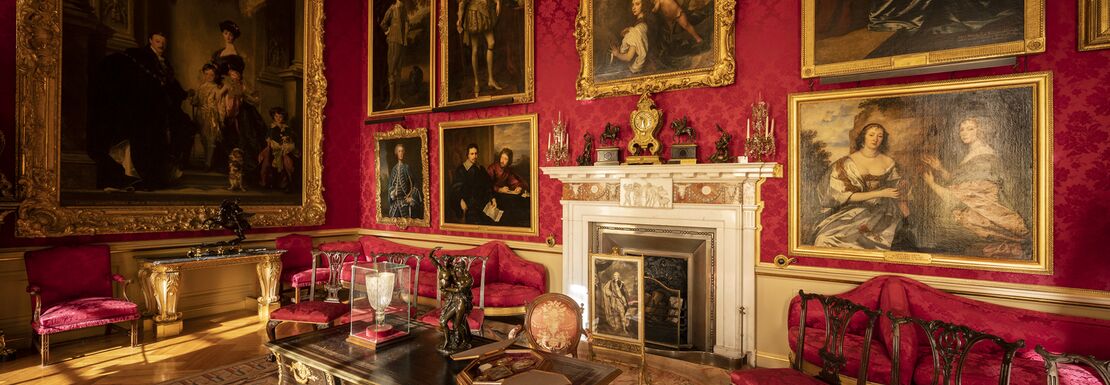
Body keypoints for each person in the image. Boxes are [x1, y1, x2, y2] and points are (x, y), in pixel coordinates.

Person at [87, 32, 190, 190]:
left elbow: (170, 85)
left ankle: (156, 176)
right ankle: (136, 175)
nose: (161, 45)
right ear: (150, 41)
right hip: (146, 107)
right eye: (157, 41)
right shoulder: (142, 57)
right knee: (142, 137)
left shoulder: (165, 63)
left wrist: (182, 94)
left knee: (178, 128)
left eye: (163, 42)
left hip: (160, 109)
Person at [922, 116, 1029, 259]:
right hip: (977, 210)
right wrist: (940, 168)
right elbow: (959, 182)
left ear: (980, 131)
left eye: (970, 128)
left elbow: (962, 195)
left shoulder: (983, 156)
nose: (964, 133)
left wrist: (931, 184)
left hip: (985, 212)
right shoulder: (972, 153)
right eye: (962, 129)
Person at [812, 123, 910, 250]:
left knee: (872, 241)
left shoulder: (889, 162)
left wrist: (901, 190)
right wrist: (880, 193)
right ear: (863, 137)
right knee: (825, 238)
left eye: (880, 136)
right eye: (871, 135)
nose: (875, 139)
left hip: (883, 211)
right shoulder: (846, 164)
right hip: (853, 210)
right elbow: (844, 196)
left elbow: (898, 190)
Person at [457, 0, 503, 97]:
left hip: (485, 13)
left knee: (491, 43)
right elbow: (462, 3)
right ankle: (477, 83)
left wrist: (498, 2)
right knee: (475, 49)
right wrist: (460, 19)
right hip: (473, 14)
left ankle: (490, 79)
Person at [189, 64, 223, 170]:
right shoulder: (201, 87)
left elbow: (219, 103)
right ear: (204, 74)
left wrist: (219, 116)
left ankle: (208, 163)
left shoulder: (216, 88)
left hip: (211, 116)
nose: (209, 76)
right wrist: (192, 97)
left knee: (211, 139)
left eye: (212, 74)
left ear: (215, 75)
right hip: (201, 116)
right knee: (203, 139)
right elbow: (195, 102)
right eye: (207, 74)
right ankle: (207, 160)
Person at [451, 143, 495, 224]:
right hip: (469, 205)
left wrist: (493, 198)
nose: (474, 156)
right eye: (472, 154)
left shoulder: (481, 169)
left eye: (476, 153)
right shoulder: (461, 170)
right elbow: (455, 189)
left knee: (493, 221)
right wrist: (461, 201)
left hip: (483, 203)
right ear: (467, 155)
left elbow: (488, 185)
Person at [258, 107, 299, 191]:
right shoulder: (272, 128)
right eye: (276, 116)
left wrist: (287, 140)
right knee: (267, 161)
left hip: (284, 149)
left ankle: (287, 183)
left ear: (283, 117)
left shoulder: (287, 128)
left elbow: (290, 139)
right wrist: (270, 144)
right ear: (273, 117)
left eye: (280, 117)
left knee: (287, 162)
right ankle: (265, 182)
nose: (278, 118)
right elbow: (268, 140)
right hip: (273, 149)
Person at [380, 0, 409, 108]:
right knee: (392, 69)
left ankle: (398, 98)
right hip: (393, 41)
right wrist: (388, 32)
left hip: (401, 42)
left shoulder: (403, 8)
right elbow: (383, 23)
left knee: (399, 70)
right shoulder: (392, 9)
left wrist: (405, 38)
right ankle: (391, 99)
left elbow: (406, 22)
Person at [610, 0, 649, 74]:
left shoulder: (637, 29)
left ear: (644, 5)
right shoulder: (642, 24)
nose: (634, 7)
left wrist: (617, 54)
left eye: (637, 4)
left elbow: (628, 57)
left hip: (634, 70)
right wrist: (629, 30)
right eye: (633, 4)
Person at [386, 142, 422, 217]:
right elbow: (390, 185)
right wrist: (393, 193)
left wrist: (411, 197)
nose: (401, 153)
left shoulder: (406, 167)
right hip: (395, 205)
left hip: (405, 203)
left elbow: (415, 183)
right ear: (396, 153)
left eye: (402, 151)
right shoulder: (394, 169)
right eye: (399, 151)